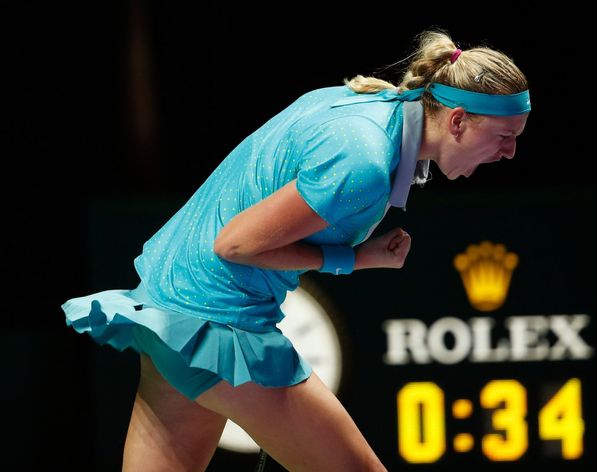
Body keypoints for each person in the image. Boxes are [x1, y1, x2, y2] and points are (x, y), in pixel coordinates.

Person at [61, 29, 530, 471]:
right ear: (458, 120)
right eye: (505, 137)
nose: (509, 153)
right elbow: (236, 245)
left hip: (170, 304)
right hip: (216, 323)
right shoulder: (363, 162)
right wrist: (357, 259)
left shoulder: (365, 103)